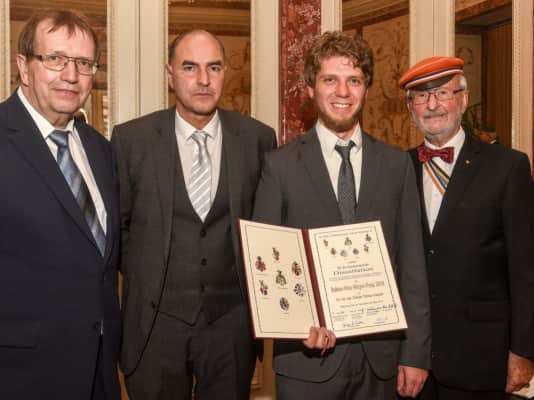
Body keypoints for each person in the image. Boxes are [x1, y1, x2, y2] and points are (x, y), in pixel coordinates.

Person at [252, 31, 431, 400]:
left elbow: (412, 265)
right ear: (310, 88)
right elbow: (266, 265)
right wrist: (295, 326)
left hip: (380, 360)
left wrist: (415, 353)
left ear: (366, 88)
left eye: (354, 80)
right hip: (306, 361)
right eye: (330, 80)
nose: (343, 92)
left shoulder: (396, 166)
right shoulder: (279, 167)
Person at [111, 29, 276, 399]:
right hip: (155, 327)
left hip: (231, 326)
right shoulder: (131, 140)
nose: (203, 79)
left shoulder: (257, 139)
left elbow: (266, 230)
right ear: (170, 74)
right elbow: (119, 233)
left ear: (224, 72)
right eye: (190, 67)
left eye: (213, 67)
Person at [0, 9, 121, 400]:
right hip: (21, 374)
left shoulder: (100, 150)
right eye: (55, 59)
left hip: (99, 369)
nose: (71, 75)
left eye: (84, 63)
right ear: (24, 66)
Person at [399, 56, 534, 399]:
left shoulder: (508, 167)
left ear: (463, 99)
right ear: (411, 108)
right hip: (410, 361)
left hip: (481, 356)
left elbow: (525, 268)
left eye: (443, 93)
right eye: (421, 96)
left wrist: (524, 350)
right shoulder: (395, 168)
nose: (432, 105)